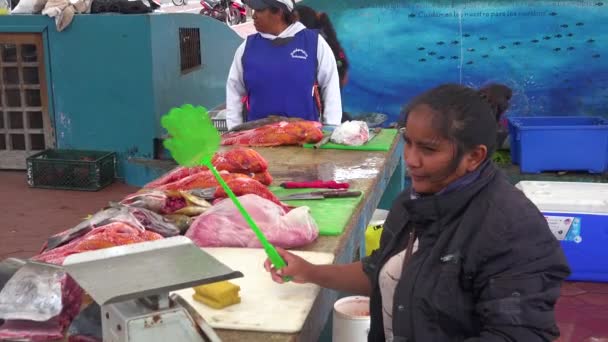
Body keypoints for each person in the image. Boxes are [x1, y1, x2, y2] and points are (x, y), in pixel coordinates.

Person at [264, 83, 571, 341]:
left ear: (474, 157)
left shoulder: (513, 231)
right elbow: (383, 271)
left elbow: (519, 334)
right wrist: (309, 271)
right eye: (408, 142)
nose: (411, 159)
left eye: (428, 149)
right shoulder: (414, 201)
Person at [225, 0, 342, 130]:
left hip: (304, 137)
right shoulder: (247, 47)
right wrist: (234, 131)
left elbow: (331, 87)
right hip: (257, 139)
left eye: (259, 10)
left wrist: (331, 127)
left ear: (279, 12)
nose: (253, 15)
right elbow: (234, 91)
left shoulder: (314, 43)